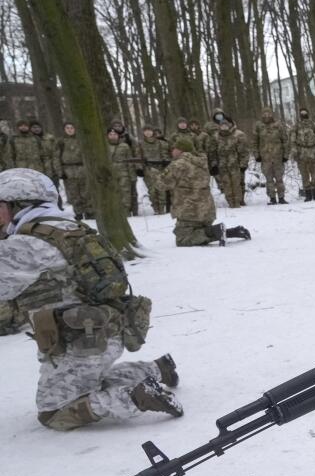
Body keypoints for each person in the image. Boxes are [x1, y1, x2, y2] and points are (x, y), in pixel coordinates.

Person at [0, 168, 183, 429]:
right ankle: (156, 370)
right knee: (92, 380)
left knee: (53, 412)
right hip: (102, 334)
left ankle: (136, 397)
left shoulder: (27, 244)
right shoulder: (69, 228)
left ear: (19, 204)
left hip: (82, 344)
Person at [160, 137, 250, 247]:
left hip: (189, 211)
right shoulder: (201, 162)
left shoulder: (178, 165)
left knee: (183, 240)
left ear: (181, 150)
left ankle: (216, 231)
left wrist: (154, 172)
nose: (172, 151)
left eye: (174, 148)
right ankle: (231, 232)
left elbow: (161, 185)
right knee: (200, 232)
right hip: (207, 210)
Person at [253, 108, 290, 205]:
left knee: (279, 178)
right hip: (265, 158)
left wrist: (286, 155)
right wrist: (257, 155)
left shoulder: (278, 125)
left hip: (278, 156)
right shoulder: (259, 126)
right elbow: (254, 142)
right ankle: (272, 198)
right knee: (269, 179)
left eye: (268, 113)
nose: (266, 115)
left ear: (271, 114)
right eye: (264, 113)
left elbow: (285, 141)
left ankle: (281, 197)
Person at [211, 120, 250, 208]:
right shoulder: (216, 137)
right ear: (219, 127)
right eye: (222, 126)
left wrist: (243, 164)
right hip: (222, 166)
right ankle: (230, 202)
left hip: (235, 165)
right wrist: (214, 165)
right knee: (226, 184)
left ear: (229, 126)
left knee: (236, 184)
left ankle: (237, 202)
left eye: (226, 126)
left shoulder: (235, 136)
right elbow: (212, 152)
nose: (224, 128)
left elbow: (243, 151)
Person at [290, 107, 315, 201]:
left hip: (314, 152)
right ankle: (308, 194)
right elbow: (292, 141)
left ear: (308, 114)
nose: (304, 115)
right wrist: (295, 153)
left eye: (305, 113)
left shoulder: (314, 125)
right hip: (301, 153)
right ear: (300, 115)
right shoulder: (296, 126)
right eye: (302, 113)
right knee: (304, 175)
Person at [57, 123, 89, 219]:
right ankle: (78, 212)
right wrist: (60, 172)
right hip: (68, 170)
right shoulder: (61, 142)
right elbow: (57, 157)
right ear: (64, 130)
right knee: (73, 193)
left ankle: (90, 212)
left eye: (72, 128)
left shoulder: (81, 140)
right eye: (67, 128)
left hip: (82, 169)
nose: (70, 130)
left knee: (86, 192)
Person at [137, 126, 172, 214]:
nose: (148, 133)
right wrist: (140, 168)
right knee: (152, 191)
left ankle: (161, 209)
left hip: (160, 169)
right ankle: (156, 209)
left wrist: (166, 163)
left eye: (149, 131)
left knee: (161, 191)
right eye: (146, 131)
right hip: (148, 170)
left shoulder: (161, 143)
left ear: (153, 132)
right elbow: (138, 157)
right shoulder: (140, 144)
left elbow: (167, 153)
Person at [107, 126, 138, 216]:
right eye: (110, 134)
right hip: (110, 174)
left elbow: (130, 162)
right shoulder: (104, 146)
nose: (113, 136)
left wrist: (132, 176)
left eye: (115, 134)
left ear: (118, 136)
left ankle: (126, 212)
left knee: (125, 194)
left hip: (123, 174)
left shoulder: (124, 146)